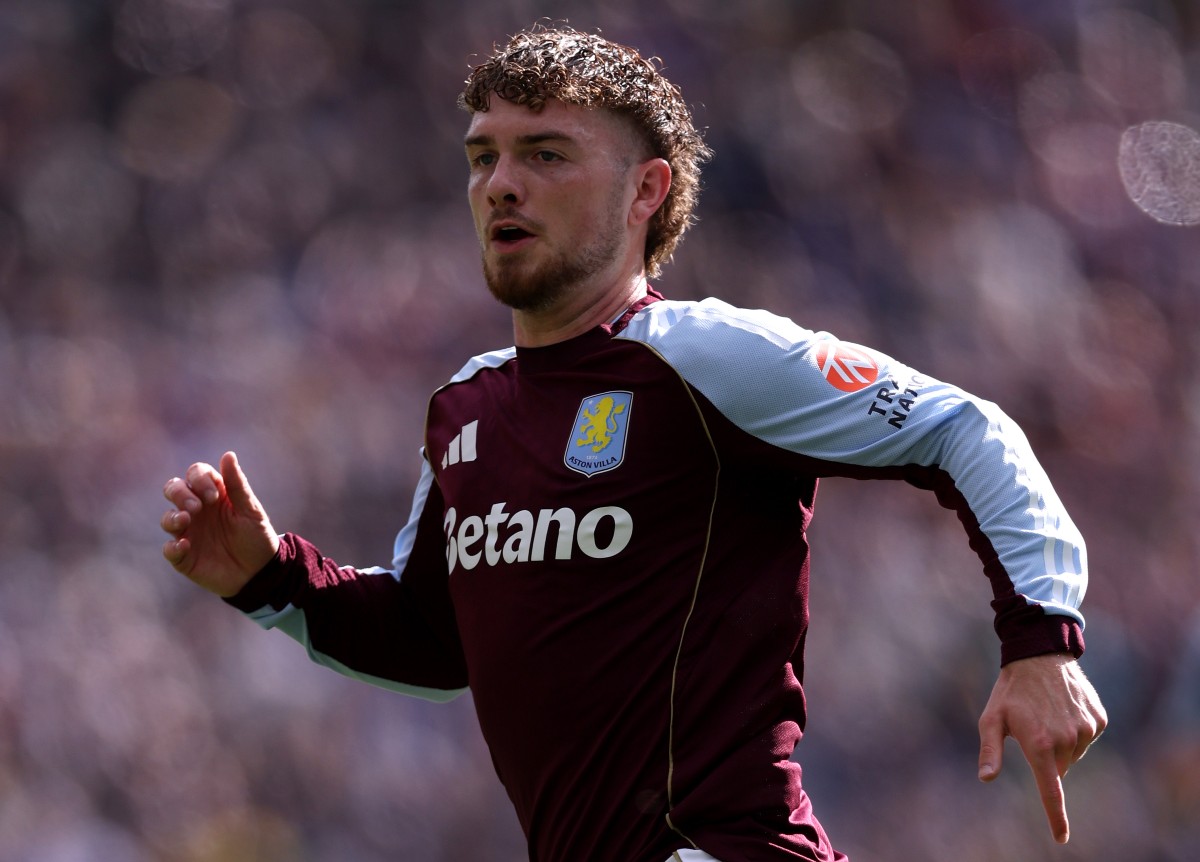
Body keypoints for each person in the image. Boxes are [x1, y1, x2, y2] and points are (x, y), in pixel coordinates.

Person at [160, 24, 1107, 862]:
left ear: (645, 190)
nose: (502, 185)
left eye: (546, 154)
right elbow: (437, 641)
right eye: (483, 156)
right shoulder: (465, 408)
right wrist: (273, 576)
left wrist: (1042, 642)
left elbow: (962, 429)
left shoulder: (704, 357)